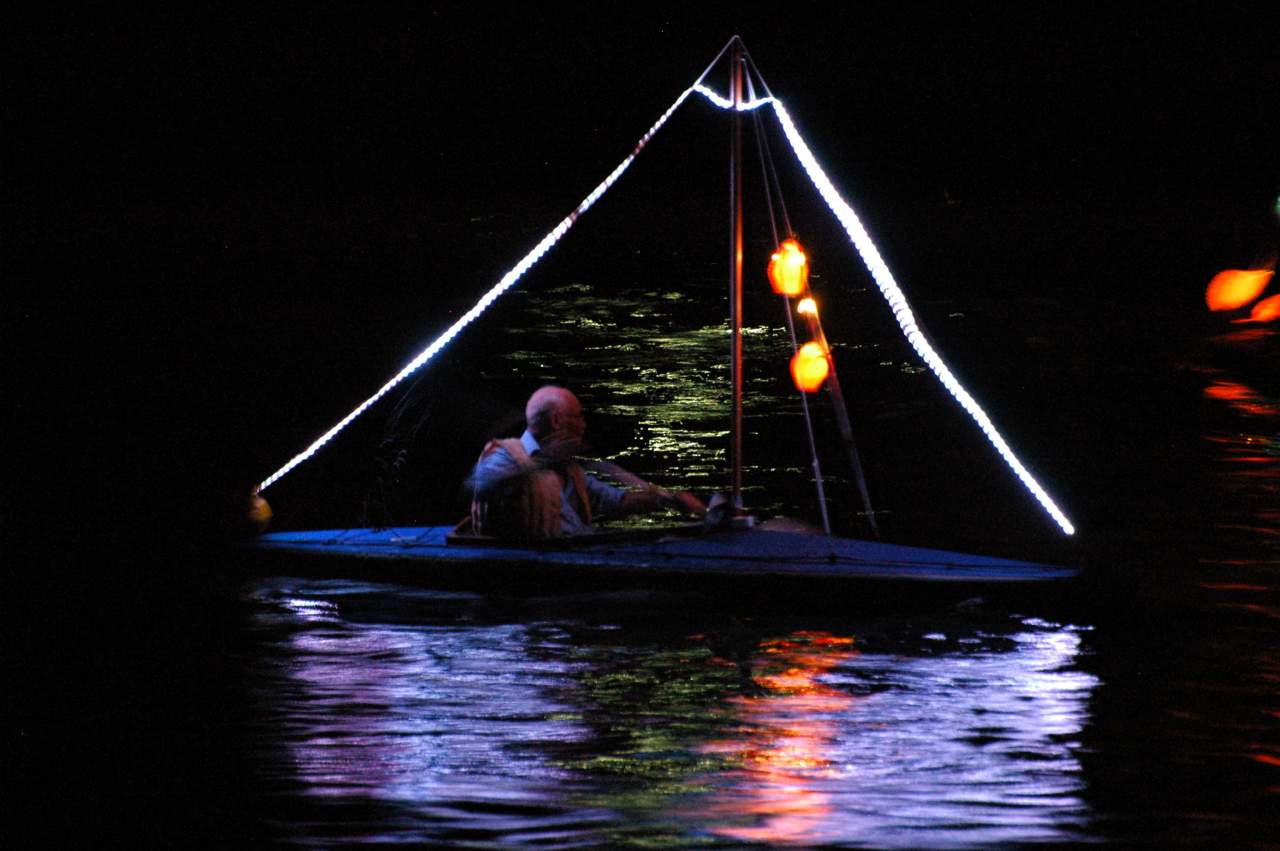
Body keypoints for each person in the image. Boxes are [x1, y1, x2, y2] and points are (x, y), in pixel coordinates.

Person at [469, 385, 704, 540]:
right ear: (557, 420)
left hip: (570, 565)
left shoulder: (571, 471)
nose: (584, 425)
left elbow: (617, 501)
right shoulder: (504, 457)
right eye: (579, 417)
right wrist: (545, 462)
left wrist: (669, 498)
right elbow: (483, 484)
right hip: (532, 577)